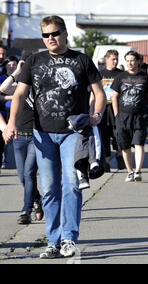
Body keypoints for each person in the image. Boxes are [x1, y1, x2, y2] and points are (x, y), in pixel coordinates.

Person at [2, 15, 106, 259]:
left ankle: (69, 238)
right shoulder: (34, 61)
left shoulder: (81, 59)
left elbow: (99, 92)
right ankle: (53, 240)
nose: (51, 38)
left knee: (72, 185)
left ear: (65, 33)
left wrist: (97, 114)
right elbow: (18, 95)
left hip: (74, 133)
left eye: (55, 33)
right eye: (46, 35)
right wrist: (11, 124)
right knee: (49, 189)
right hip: (43, 134)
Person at [0, 56, 43, 225]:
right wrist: (17, 71)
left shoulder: (43, 87)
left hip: (36, 136)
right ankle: (37, 200)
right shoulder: (20, 87)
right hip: (19, 137)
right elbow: (3, 88)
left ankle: (26, 210)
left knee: (29, 173)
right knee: (22, 176)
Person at [111, 51, 148, 182]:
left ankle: (138, 171)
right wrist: (117, 114)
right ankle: (129, 171)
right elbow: (114, 96)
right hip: (123, 116)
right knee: (125, 146)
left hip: (141, 116)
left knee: (139, 143)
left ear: (138, 62)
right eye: (127, 60)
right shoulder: (120, 77)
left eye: (132, 60)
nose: (130, 63)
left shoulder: (145, 77)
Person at [97, 49, 125, 171]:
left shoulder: (121, 74)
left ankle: (119, 155)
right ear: (107, 59)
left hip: (117, 109)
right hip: (103, 110)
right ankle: (106, 162)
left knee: (118, 134)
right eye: (113, 59)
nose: (115, 61)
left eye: (117, 59)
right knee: (104, 136)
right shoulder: (100, 74)